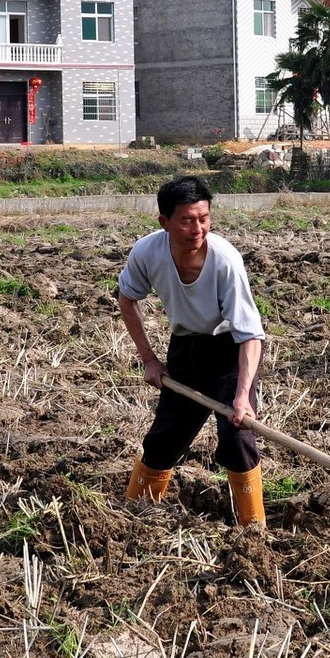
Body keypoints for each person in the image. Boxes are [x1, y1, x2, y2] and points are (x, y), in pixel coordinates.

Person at [117, 176, 267, 527]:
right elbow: (127, 299)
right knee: (164, 437)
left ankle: (253, 528)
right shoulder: (147, 253)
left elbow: (250, 335)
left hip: (230, 351)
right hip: (186, 348)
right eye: (187, 220)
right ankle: (134, 515)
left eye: (204, 218)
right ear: (164, 222)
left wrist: (242, 396)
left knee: (237, 439)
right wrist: (150, 360)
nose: (197, 228)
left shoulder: (224, 260)